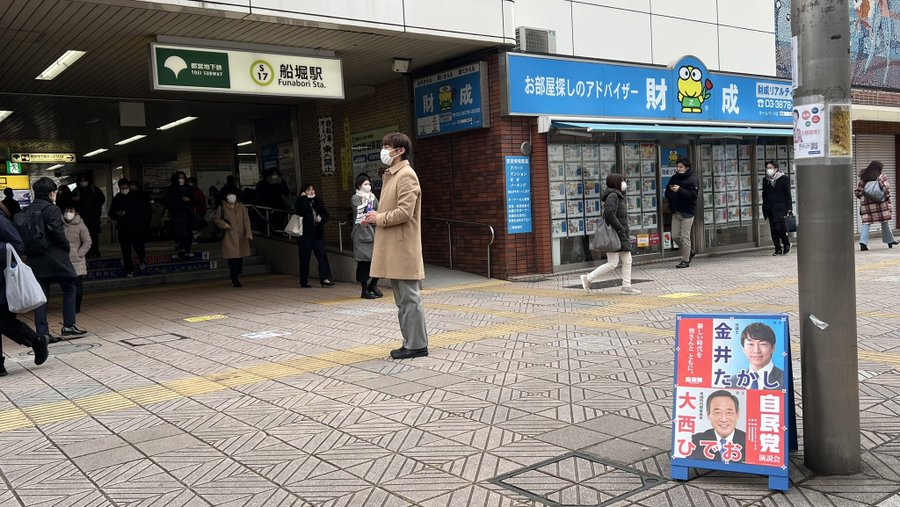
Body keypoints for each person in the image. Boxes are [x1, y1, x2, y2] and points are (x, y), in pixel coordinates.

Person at [364, 132, 428, 360]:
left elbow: (404, 212)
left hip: (403, 248)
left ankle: (417, 345)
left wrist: (378, 218)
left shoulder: (406, 175)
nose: (384, 150)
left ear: (400, 151)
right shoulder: (393, 175)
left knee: (409, 298)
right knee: (403, 300)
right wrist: (375, 215)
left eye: (387, 146)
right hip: (396, 247)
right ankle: (410, 342)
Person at [22, 177, 88, 343]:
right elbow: (58, 233)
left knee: (41, 295)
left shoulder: (27, 210)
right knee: (70, 287)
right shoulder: (52, 209)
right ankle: (68, 325)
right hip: (55, 257)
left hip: (35, 259)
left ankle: (43, 332)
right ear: (52, 193)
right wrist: (66, 247)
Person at [0, 201, 50, 376]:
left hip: (3, 281)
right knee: (5, 323)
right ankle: (36, 341)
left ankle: (36, 341)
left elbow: (17, 245)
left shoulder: (1, 220)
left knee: (5, 322)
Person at [580, 174, 642, 295]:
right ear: (616, 182)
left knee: (627, 259)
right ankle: (588, 278)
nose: (624, 183)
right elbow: (609, 215)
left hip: (619, 232)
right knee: (613, 263)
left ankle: (626, 286)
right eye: (622, 180)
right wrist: (620, 228)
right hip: (616, 233)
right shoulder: (613, 196)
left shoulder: (616, 195)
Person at [689, 390, 746, 463]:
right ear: (708, 415)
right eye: (717, 413)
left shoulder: (748, 442)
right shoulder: (698, 440)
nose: (723, 419)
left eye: (729, 413)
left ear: (737, 414)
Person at [294, 184, 334, 288]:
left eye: (312, 189)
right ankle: (304, 281)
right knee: (304, 258)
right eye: (308, 190)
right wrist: (303, 198)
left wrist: (321, 219)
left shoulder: (318, 201)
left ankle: (325, 278)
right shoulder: (300, 201)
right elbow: (301, 210)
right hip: (304, 234)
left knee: (322, 255)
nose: (311, 191)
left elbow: (326, 215)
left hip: (317, 233)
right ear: (303, 192)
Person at [855, 160, 898, 251]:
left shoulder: (864, 178)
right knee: (884, 222)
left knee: (866, 223)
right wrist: (886, 198)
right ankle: (889, 241)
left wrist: (865, 199)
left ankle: (863, 243)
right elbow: (886, 189)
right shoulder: (881, 177)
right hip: (880, 204)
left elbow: (858, 192)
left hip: (866, 206)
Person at [351, 173, 382, 299]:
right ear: (359, 186)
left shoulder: (373, 198)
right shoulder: (355, 198)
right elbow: (361, 213)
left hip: (374, 233)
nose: (368, 186)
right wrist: (371, 215)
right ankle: (364, 289)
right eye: (365, 184)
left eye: (369, 184)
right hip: (361, 234)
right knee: (363, 263)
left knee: (378, 262)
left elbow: (379, 210)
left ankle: (373, 285)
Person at [109, 178, 148, 276]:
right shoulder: (117, 199)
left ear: (128, 187)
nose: (124, 190)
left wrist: (144, 224)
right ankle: (129, 269)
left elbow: (143, 212)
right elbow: (111, 213)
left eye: (125, 187)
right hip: (124, 228)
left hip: (137, 227)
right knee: (126, 250)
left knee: (139, 246)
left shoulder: (137, 197)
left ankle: (142, 260)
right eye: (122, 188)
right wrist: (118, 213)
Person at [665, 157, 699, 268]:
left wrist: (680, 190)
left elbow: (693, 196)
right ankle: (689, 251)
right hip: (676, 211)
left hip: (688, 212)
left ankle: (685, 260)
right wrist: (670, 193)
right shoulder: (674, 178)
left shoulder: (692, 179)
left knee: (685, 236)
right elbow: (667, 190)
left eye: (681, 167)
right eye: (677, 167)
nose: (678, 169)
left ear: (687, 168)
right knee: (674, 236)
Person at [214, 191, 253, 287]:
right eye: (229, 195)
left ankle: (236, 274)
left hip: (241, 236)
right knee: (232, 258)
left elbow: (246, 220)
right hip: (229, 235)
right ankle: (235, 278)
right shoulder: (222, 207)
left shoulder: (241, 206)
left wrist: (248, 233)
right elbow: (216, 219)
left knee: (240, 258)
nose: (231, 197)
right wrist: (224, 224)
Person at [730, 322, 784, 390]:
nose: (756, 350)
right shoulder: (733, 381)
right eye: (750, 344)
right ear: (743, 348)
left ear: (773, 347)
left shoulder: (785, 379)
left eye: (763, 344)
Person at [63, 207, 92, 313]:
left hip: (77, 261)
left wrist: (79, 254)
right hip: (64, 260)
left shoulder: (81, 225)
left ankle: (76, 308)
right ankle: (69, 306)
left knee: (77, 285)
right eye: (66, 211)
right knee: (67, 285)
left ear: (76, 213)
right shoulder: (61, 224)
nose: (68, 213)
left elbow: (87, 241)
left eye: (71, 211)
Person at [762, 161, 793, 255]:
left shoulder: (783, 178)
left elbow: (788, 193)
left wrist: (789, 207)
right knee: (773, 230)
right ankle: (777, 249)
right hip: (770, 208)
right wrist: (765, 206)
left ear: (776, 169)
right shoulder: (765, 180)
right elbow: (764, 194)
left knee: (779, 228)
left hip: (781, 207)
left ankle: (786, 243)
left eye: (770, 167)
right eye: (767, 168)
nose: (768, 170)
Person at [72, 174, 105, 258]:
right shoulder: (76, 191)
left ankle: (95, 251)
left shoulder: (94, 190)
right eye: (81, 180)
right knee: (83, 236)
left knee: (93, 236)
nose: (83, 182)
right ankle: (87, 253)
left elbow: (101, 200)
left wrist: (96, 211)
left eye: (85, 180)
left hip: (93, 218)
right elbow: (70, 203)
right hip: (82, 218)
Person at [165, 171, 194, 259]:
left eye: (183, 177)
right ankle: (181, 250)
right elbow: (169, 202)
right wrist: (180, 201)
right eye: (179, 178)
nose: (181, 179)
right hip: (177, 215)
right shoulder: (172, 189)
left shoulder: (188, 188)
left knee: (188, 233)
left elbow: (194, 200)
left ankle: (187, 251)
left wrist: (189, 200)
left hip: (187, 214)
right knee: (179, 234)